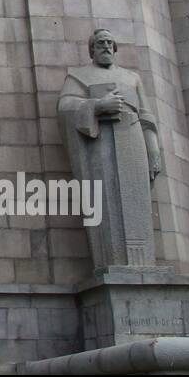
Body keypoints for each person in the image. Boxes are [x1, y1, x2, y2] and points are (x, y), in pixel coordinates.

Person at [57, 28, 163, 270]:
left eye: (109, 43)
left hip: (133, 140)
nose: (105, 46)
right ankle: (112, 261)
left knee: (138, 199)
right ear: (92, 50)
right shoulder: (78, 76)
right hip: (101, 143)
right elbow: (65, 106)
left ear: (114, 49)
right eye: (100, 43)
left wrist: (153, 151)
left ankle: (144, 262)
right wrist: (97, 106)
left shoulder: (132, 78)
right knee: (106, 199)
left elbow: (147, 117)